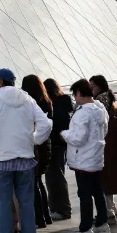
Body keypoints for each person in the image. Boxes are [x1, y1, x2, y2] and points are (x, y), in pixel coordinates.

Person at [0, 68, 52, 233]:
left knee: (3, 203)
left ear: (0, 81)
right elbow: (46, 124)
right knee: (26, 202)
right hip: (25, 158)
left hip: (2, 159)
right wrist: (33, 140)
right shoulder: (28, 100)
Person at [62, 79, 110, 233]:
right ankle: (103, 224)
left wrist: (65, 134)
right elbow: (105, 131)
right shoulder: (100, 109)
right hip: (96, 157)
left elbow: (78, 138)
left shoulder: (82, 113)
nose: (75, 99)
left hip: (82, 158)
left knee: (84, 195)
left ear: (79, 93)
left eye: (75, 95)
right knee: (98, 191)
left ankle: (85, 231)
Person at [89, 75, 117, 224]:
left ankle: (108, 213)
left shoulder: (100, 102)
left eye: (93, 86)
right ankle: (111, 212)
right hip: (111, 146)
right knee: (108, 180)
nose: (91, 89)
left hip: (105, 146)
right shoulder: (111, 99)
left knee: (104, 180)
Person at [22, 75, 54, 230]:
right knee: (38, 181)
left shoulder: (32, 104)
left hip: (36, 147)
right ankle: (45, 216)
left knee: (34, 183)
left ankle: (39, 218)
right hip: (46, 145)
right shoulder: (47, 101)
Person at [45, 78, 74, 221]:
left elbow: (57, 124)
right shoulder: (64, 103)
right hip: (60, 144)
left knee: (55, 177)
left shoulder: (56, 105)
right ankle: (58, 208)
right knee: (55, 176)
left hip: (55, 144)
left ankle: (61, 209)